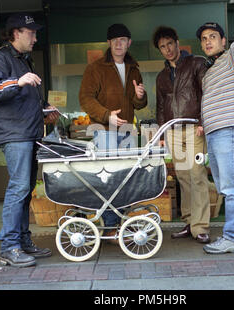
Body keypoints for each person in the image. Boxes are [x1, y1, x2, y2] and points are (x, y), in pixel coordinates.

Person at [0, 13, 60, 267]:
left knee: (25, 191)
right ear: (16, 33)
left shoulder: (26, 61)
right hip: (14, 135)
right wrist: (17, 81)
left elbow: (27, 98)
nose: (36, 38)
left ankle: (23, 241)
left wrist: (46, 110)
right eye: (32, 33)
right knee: (18, 189)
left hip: (30, 133)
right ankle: (9, 247)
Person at [79, 23, 147, 239]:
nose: (119, 43)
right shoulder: (95, 68)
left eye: (123, 39)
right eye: (115, 40)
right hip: (104, 130)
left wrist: (139, 96)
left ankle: (122, 223)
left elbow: (139, 104)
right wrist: (107, 114)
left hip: (128, 130)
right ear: (109, 43)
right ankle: (110, 226)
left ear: (129, 43)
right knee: (108, 177)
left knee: (126, 178)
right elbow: (85, 99)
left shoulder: (134, 68)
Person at [197, 19, 234, 254]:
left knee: (232, 188)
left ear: (223, 41)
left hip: (229, 130)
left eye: (213, 36)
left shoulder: (231, 59)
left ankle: (232, 237)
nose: (208, 41)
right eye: (203, 38)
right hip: (216, 132)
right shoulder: (208, 71)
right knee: (231, 187)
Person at [153, 26, 211, 244]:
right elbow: (160, 107)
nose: (167, 49)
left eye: (169, 44)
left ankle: (201, 226)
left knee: (197, 174)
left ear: (177, 43)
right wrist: (161, 132)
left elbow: (207, 93)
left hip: (194, 127)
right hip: (173, 131)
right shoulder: (161, 77)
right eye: (162, 47)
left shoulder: (196, 63)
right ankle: (189, 222)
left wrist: (203, 121)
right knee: (183, 177)